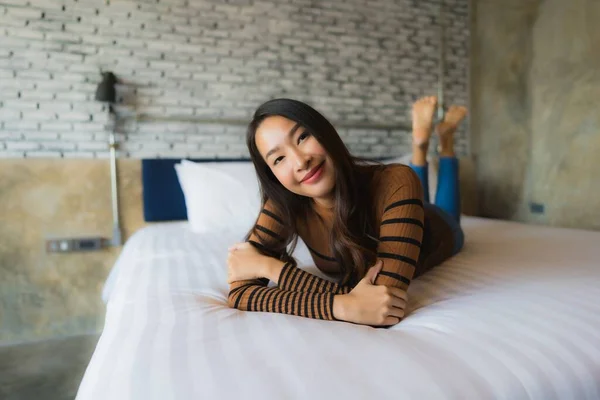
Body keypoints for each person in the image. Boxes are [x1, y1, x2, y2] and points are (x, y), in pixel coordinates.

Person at [226, 96, 467, 327]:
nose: (300, 162)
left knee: (442, 208)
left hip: (441, 229)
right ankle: (423, 146)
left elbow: (383, 302)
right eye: (279, 159)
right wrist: (341, 306)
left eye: (303, 137)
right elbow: (240, 295)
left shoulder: (397, 181)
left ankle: (442, 144)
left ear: (325, 131)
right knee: (414, 191)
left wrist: (269, 268)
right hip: (399, 209)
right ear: (273, 176)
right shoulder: (284, 203)